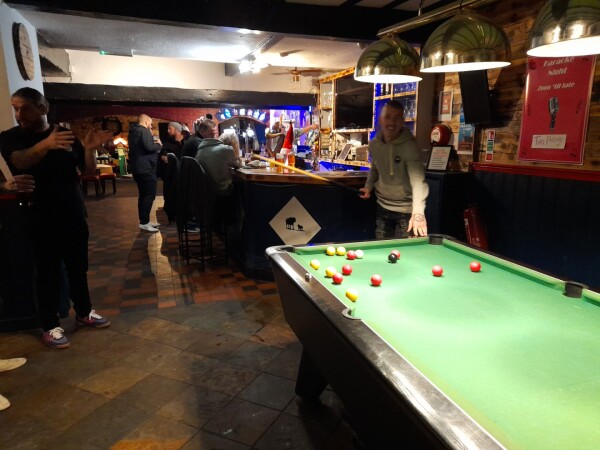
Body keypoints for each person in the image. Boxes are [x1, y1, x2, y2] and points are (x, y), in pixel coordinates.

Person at [0, 87, 113, 349]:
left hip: (72, 212)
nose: (19, 114)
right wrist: (47, 144)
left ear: (42, 108)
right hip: (38, 215)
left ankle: (84, 312)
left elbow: (87, 171)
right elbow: (20, 161)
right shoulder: (10, 138)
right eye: (15, 109)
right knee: (47, 272)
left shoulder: (66, 135)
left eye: (24, 108)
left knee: (78, 268)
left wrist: (89, 149)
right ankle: (50, 325)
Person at [359, 100, 428, 239]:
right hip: (382, 208)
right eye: (388, 117)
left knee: (406, 251)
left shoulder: (410, 146)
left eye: (396, 118)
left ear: (402, 121)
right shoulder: (374, 145)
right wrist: (368, 187)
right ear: (381, 120)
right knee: (382, 249)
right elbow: (375, 170)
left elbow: (418, 181)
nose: (391, 122)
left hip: (406, 211)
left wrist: (418, 213)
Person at [195, 119, 241, 228]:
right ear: (215, 133)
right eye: (215, 133)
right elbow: (238, 165)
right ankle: (236, 227)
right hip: (223, 190)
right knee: (241, 187)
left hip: (207, 192)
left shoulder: (199, 151)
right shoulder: (226, 149)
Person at [128, 114, 162, 232]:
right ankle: (144, 222)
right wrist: (158, 144)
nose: (151, 126)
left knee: (143, 195)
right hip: (146, 169)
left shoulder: (133, 132)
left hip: (138, 169)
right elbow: (149, 147)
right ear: (146, 122)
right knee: (149, 195)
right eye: (150, 124)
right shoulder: (143, 131)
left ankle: (144, 221)